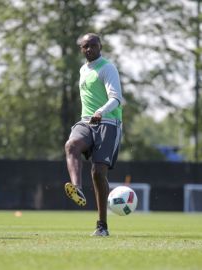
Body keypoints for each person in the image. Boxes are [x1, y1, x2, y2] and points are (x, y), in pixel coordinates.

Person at [64, 33, 124, 236]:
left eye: (93, 45)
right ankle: (77, 188)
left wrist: (101, 111)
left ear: (100, 46)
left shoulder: (107, 67)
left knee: (98, 173)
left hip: (109, 122)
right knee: (71, 145)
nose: (89, 49)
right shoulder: (83, 69)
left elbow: (116, 98)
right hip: (87, 121)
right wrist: (92, 115)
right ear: (81, 49)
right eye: (85, 46)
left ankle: (102, 226)